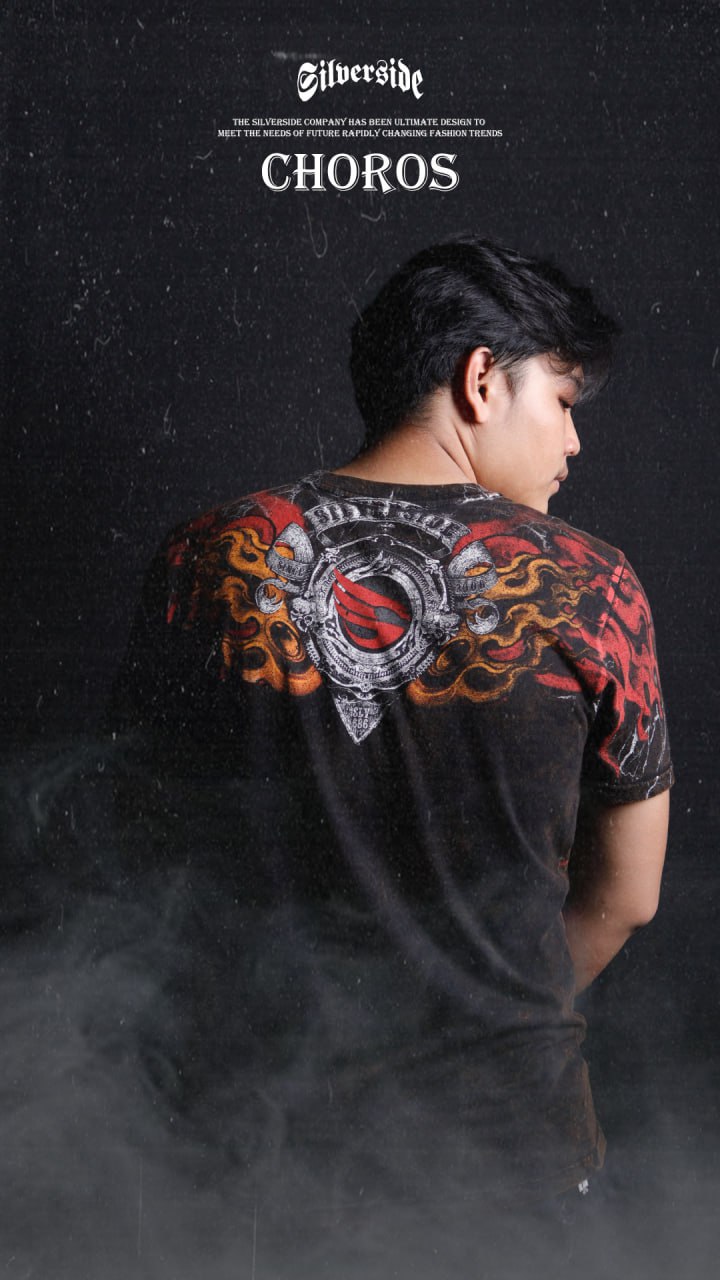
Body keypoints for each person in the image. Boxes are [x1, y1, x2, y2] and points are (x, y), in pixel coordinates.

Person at [107, 238, 672, 1250]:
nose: (574, 442)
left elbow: (145, 851)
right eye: (563, 401)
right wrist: (481, 1010)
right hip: (510, 1147)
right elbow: (628, 894)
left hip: (263, 1148)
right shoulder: (591, 583)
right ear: (482, 380)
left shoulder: (209, 558)